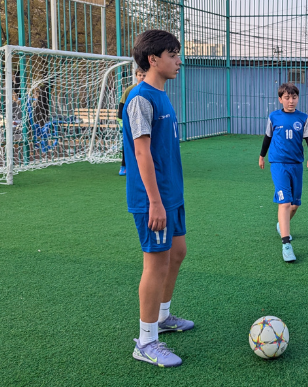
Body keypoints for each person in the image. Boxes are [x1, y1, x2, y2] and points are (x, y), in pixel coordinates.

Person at [122, 30, 192, 368]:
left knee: (177, 253)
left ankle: (162, 317)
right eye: (173, 54)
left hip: (171, 194)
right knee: (156, 264)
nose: (178, 61)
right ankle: (146, 341)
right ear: (153, 59)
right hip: (154, 199)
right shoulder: (140, 98)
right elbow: (141, 153)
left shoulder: (161, 95)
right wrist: (154, 201)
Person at [258, 83, 308, 263]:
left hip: (296, 164)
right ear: (280, 99)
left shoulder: (303, 118)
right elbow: (267, 137)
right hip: (278, 164)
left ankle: (281, 225)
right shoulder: (274, 117)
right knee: (284, 202)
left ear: (298, 98)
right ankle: (286, 244)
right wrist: (262, 156)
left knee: (295, 204)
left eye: (294, 97)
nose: (291, 101)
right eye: (287, 98)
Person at [117, 67, 147, 175]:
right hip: (130, 122)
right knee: (128, 144)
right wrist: (121, 121)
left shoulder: (150, 89)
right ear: (136, 76)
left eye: (144, 75)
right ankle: (124, 166)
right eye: (140, 75)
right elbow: (121, 105)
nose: (142, 77)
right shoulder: (130, 90)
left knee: (144, 144)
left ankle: (143, 166)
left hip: (144, 122)